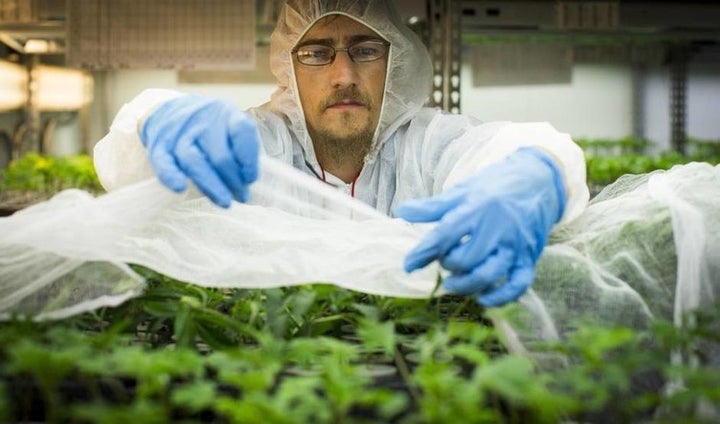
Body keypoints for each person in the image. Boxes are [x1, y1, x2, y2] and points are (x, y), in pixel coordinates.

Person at [93, 0, 589, 308]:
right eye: (317, 52)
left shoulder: (428, 143)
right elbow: (131, 174)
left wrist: (536, 172)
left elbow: (505, 148)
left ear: (395, 61)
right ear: (289, 68)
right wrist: (154, 121)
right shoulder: (258, 145)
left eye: (365, 49)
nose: (344, 75)